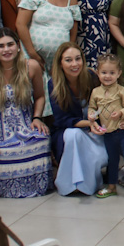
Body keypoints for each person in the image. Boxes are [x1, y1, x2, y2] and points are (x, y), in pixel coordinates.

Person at [0, 28, 52, 198]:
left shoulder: (31, 67)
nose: (6, 49)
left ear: (18, 46)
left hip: (25, 126)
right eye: (1, 46)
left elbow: (39, 97)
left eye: (10, 44)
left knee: (42, 140)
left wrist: (37, 117)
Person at [47, 43, 108, 195]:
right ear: (60, 63)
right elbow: (62, 120)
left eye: (77, 59)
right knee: (73, 135)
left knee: (101, 152)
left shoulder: (92, 77)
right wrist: (89, 124)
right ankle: (70, 185)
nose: (74, 64)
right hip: (68, 133)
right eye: (68, 60)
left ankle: (89, 183)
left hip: (95, 131)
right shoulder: (53, 84)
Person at [16, 0, 81, 78]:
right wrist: (33, 54)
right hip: (32, 59)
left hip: (59, 63)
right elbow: (20, 24)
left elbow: (73, 33)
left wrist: (66, 57)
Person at [89, 54, 124, 199]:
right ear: (98, 72)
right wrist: (91, 115)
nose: (107, 76)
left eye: (112, 73)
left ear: (119, 73)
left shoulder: (122, 91)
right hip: (108, 132)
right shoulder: (95, 92)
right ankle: (111, 186)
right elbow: (92, 108)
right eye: (104, 72)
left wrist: (120, 112)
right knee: (112, 160)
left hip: (123, 130)